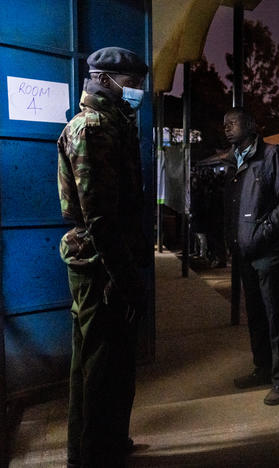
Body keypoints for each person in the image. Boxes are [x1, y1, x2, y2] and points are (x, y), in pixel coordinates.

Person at [57, 46, 149, 468]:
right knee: (97, 365)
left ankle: (109, 442)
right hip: (99, 263)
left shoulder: (115, 122)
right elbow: (99, 217)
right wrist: (124, 275)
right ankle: (90, 455)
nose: (139, 93)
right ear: (105, 80)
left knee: (111, 360)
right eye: (133, 85)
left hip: (112, 258)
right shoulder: (92, 128)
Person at [222, 107, 279, 405]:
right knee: (255, 315)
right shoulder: (233, 160)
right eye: (224, 124)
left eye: (233, 122)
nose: (227, 127)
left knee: (276, 317)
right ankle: (263, 368)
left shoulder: (271, 156)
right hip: (244, 253)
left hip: (269, 253)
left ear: (251, 124)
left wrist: (262, 233)